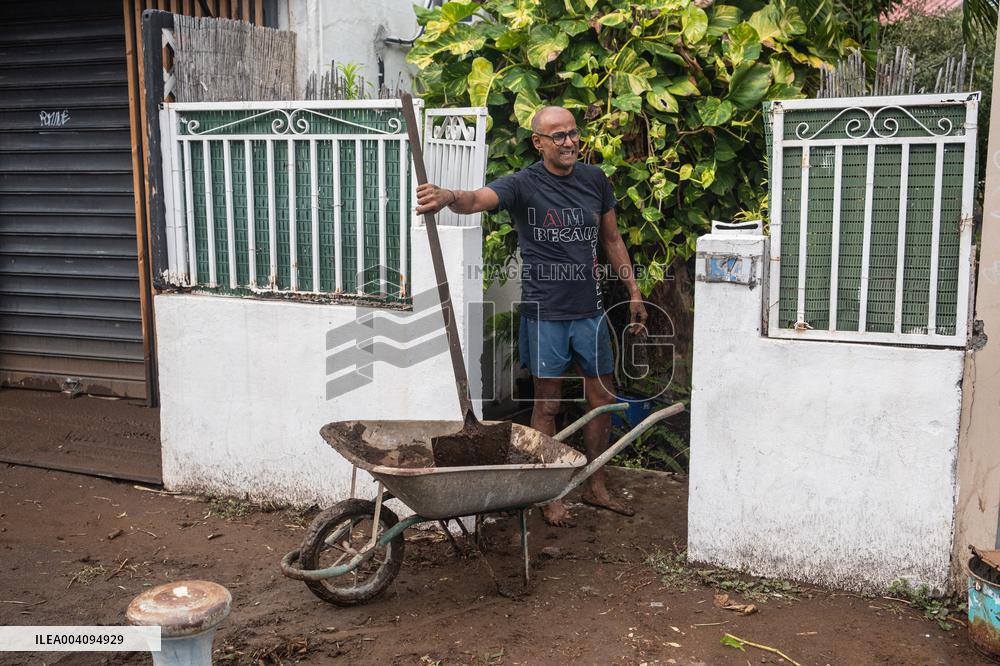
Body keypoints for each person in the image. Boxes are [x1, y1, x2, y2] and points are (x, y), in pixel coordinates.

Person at [415, 106, 648, 526]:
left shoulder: (595, 180)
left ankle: (595, 483)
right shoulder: (523, 184)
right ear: (538, 142)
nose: (569, 142)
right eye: (558, 136)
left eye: (573, 133)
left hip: (590, 312)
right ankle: (547, 494)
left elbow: (612, 239)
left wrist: (634, 290)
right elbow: (476, 200)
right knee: (548, 403)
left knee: (602, 399)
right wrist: (448, 196)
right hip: (545, 313)